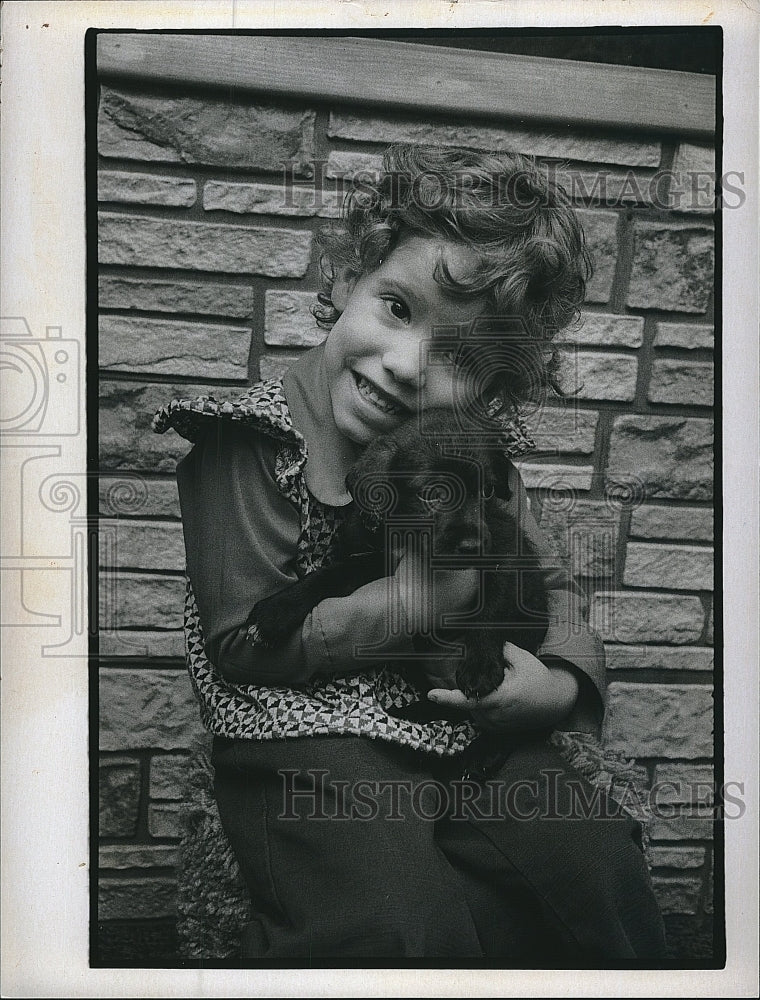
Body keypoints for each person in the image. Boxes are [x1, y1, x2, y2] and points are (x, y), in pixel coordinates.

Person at [153, 144, 667, 963]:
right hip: (304, 733)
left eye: (461, 357)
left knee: (595, 869)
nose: (405, 366)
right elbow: (242, 644)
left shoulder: (469, 450)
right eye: (397, 307)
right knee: (399, 916)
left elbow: (554, 587)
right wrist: (421, 600)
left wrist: (557, 685)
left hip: (460, 717)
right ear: (344, 278)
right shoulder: (247, 442)